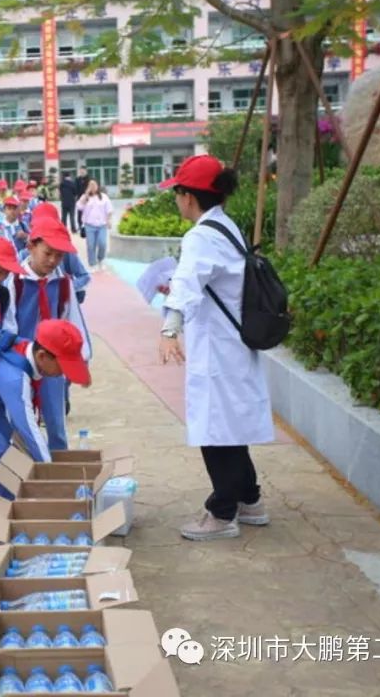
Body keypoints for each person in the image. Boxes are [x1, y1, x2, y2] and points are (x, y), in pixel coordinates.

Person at [157, 154, 273, 542]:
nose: (176, 200)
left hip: (220, 350)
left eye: (178, 193)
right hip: (232, 344)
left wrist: (170, 328)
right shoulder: (225, 227)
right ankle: (249, 499)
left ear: (189, 197)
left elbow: (188, 281)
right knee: (229, 425)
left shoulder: (201, 236)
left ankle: (222, 512)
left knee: (215, 430)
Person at [0, 320, 91, 550]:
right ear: (43, 356)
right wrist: (53, 473)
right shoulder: (15, 376)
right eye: (62, 365)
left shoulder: (26, 349)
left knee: (7, 452)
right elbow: (27, 428)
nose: (64, 373)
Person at [7, 205, 91, 450]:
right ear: (31, 246)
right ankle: (26, 474)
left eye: (59, 256)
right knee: (20, 424)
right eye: (48, 253)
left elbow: (73, 321)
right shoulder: (14, 281)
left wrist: (81, 362)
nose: (53, 260)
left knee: (57, 424)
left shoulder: (63, 283)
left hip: (54, 364)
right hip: (21, 362)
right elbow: (9, 323)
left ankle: (58, 474)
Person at [76, 180, 114, 271]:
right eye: (90, 185)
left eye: (94, 185)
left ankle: (101, 260)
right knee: (90, 245)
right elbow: (79, 207)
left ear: (98, 186)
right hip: (89, 225)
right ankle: (92, 263)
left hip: (102, 225)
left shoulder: (103, 197)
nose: (93, 187)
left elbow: (109, 209)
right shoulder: (85, 197)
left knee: (102, 243)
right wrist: (86, 195)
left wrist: (109, 220)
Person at [59, 169, 78, 234]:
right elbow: (75, 193)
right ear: (69, 176)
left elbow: (61, 192)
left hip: (64, 202)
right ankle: (73, 229)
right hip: (71, 203)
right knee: (72, 217)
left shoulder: (61, 184)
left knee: (64, 217)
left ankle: (63, 230)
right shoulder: (72, 183)